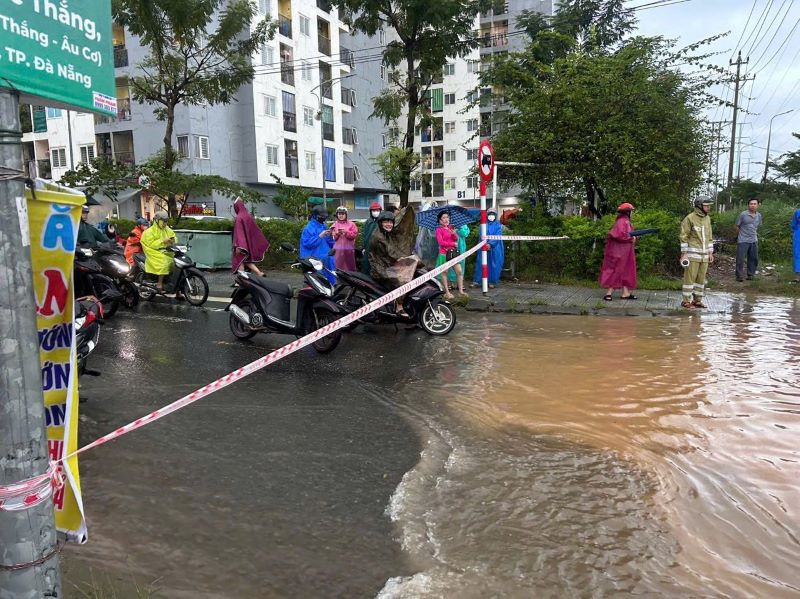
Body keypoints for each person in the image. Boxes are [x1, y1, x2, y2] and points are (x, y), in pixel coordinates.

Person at [369, 207, 419, 315]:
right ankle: (399, 306)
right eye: (386, 222)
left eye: (391, 222)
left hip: (386, 264)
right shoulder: (378, 237)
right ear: (380, 223)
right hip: (380, 268)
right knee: (401, 281)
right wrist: (404, 258)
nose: (389, 224)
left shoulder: (385, 234)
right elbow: (392, 253)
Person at [680, 196, 715, 309]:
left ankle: (697, 300)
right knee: (689, 278)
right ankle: (686, 301)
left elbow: (709, 236)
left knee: (701, 279)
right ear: (699, 205)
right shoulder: (689, 218)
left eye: (709, 205)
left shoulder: (707, 219)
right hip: (692, 255)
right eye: (706, 205)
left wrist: (710, 252)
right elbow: (683, 236)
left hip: (704, 255)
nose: (709, 207)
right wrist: (684, 253)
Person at [599, 202, 637, 301]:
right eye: (631, 211)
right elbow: (620, 235)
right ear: (627, 212)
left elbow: (626, 234)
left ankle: (625, 293)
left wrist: (633, 237)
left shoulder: (624, 221)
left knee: (625, 270)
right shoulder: (623, 221)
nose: (632, 213)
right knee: (617, 270)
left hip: (625, 251)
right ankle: (609, 293)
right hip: (620, 251)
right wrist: (631, 239)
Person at [232, 197, 270, 276]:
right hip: (248, 244)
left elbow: (239, 233)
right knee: (246, 260)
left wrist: (239, 246)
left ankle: (242, 279)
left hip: (241, 245)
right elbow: (255, 230)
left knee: (240, 261)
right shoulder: (247, 215)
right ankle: (258, 273)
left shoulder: (239, 217)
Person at [140, 211, 177, 293]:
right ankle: (159, 283)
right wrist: (163, 241)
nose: (165, 223)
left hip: (165, 250)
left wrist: (172, 240)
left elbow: (174, 237)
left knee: (177, 262)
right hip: (153, 251)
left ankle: (177, 291)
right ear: (157, 221)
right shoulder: (149, 232)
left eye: (166, 221)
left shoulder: (167, 229)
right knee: (164, 262)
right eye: (163, 221)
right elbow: (151, 244)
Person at [472, 209, 505, 289]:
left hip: (495, 249)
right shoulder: (483, 225)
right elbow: (481, 235)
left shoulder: (498, 225)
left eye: (493, 214)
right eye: (490, 214)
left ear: (495, 215)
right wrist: (485, 244)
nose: (491, 216)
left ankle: (492, 282)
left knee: (494, 265)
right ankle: (478, 281)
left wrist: (490, 244)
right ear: (487, 215)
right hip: (483, 247)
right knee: (481, 264)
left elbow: (497, 236)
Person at [300, 207, 335, 283]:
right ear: (315, 216)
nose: (323, 218)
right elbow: (307, 244)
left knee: (328, 282)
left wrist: (331, 236)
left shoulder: (323, 226)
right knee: (318, 282)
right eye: (321, 217)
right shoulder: (308, 228)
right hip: (315, 260)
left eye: (325, 217)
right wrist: (320, 236)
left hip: (326, 259)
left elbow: (329, 242)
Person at [435, 212, 465, 299]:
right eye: (443, 218)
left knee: (459, 271)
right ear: (440, 220)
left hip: (453, 253)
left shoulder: (450, 228)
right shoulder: (439, 230)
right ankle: (447, 292)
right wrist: (452, 243)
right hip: (444, 254)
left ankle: (461, 291)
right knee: (444, 273)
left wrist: (454, 233)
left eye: (447, 217)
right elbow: (441, 243)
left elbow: (456, 239)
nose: (446, 219)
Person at [734, 198, 762, 281]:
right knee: (740, 258)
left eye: (754, 204)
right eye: (751, 204)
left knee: (754, 258)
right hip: (743, 240)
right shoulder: (743, 214)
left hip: (754, 240)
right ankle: (739, 276)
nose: (753, 205)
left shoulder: (759, 215)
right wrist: (739, 235)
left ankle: (750, 275)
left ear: (758, 205)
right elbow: (736, 226)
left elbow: (758, 226)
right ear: (748, 205)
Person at [330, 206, 358, 271]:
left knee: (350, 268)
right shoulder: (334, 224)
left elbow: (354, 235)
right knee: (338, 268)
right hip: (338, 250)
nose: (341, 215)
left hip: (349, 250)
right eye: (339, 214)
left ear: (346, 215)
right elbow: (333, 238)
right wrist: (337, 234)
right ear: (337, 214)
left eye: (343, 214)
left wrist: (346, 232)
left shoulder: (352, 224)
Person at [360, 201, 382, 274]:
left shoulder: (382, 221)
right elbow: (364, 235)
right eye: (374, 210)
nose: (375, 212)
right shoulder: (368, 222)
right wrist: (363, 247)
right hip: (368, 248)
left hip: (378, 249)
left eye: (377, 210)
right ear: (371, 211)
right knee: (366, 266)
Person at [448, 223, 470, 291]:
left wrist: (458, 229)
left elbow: (465, 233)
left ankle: (460, 284)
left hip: (461, 246)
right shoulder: (448, 223)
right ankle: (451, 283)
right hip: (451, 245)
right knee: (450, 264)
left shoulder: (463, 224)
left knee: (461, 264)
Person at [793, 206, 800, 282]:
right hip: (799, 234)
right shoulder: (797, 211)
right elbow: (794, 224)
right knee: (798, 254)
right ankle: (798, 276)